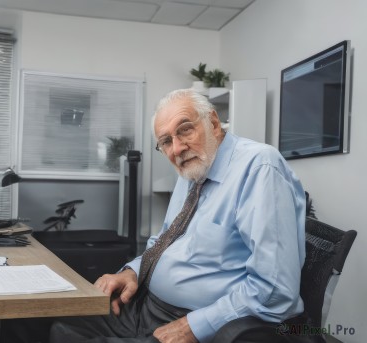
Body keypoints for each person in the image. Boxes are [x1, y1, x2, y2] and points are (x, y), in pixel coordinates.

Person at [48, 88, 306, 343]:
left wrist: (195, 326)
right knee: (54, 321)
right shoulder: (192, 170)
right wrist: (132, 272)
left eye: (185, 130)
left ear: (214, 123)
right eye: (166, 141)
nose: (177, 148)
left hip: (196, 323)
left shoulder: (259, 167)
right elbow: (164, 242)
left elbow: (275, 289)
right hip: (146, 305)